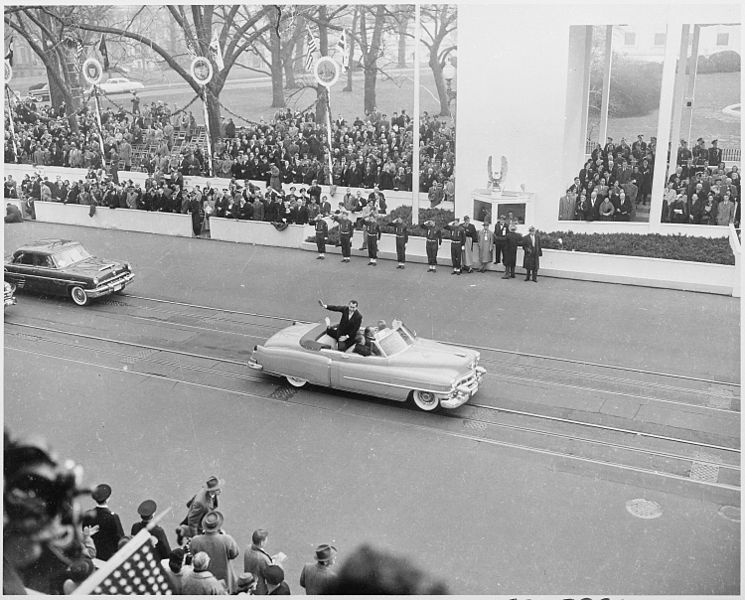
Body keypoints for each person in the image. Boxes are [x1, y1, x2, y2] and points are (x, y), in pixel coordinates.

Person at [189, 510, 240, 593]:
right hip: (225, 579)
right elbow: (234, 554)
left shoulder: (196, 540)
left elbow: (193, 554)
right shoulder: (226, 539)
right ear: (218, 526)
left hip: (205, 580)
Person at [82, 483, 124, 561]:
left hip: (91, 556)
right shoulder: (113, 517)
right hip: (107, 558)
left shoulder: (88, 514)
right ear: (108, 499)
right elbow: (120, 540)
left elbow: (84, 534)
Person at [243, 528, 273, 595]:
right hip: (259, 588)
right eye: (266, 539)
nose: (267, 541)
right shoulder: (262, 558)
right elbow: (270, 574)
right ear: (262, 542)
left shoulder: (248, 548)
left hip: (247, 583)